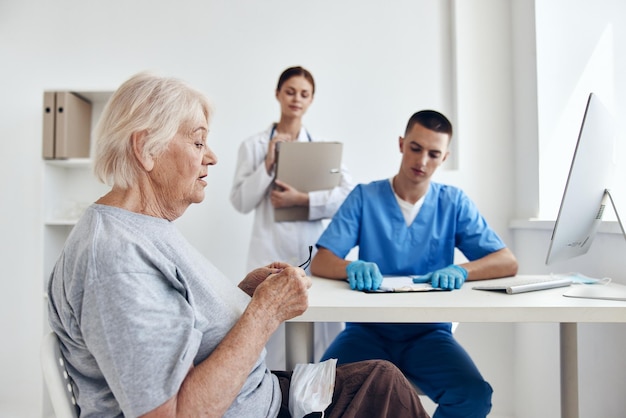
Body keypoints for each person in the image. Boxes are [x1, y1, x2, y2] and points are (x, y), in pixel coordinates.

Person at [46, 72, 430, 418]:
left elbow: (179, 321)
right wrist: (264, 312)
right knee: (386, 390)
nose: (211, 157)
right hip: (250, 407)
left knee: (382, 379)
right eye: (198, 142)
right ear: (146, 149)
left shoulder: (144, 229)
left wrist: (245, 294)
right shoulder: (116, 259)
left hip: (256, 396)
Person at [310, 109, 519, 418]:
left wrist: (462, 270)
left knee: (473, 396)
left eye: (434, 154)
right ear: (401, 144)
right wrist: (351, 267)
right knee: (314, 395)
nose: (422, 161)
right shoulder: (365, 197)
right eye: (416, 148)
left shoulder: (453, 202)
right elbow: (322, 260)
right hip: (367, 330)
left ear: (445, 156)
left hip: (428, 334)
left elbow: (506, 261)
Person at [230, 66, 353, 370]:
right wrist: (268, 165)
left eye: (304, 93)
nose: (296, 98)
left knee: (321, 344)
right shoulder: (255, 145)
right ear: (277, 94)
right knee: (268, 344)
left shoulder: (322, 150)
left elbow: (348, 197)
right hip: (268, 252)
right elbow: (241, 202)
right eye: (290, 91)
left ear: (311, 100)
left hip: (311, 257)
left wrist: (304, 200)